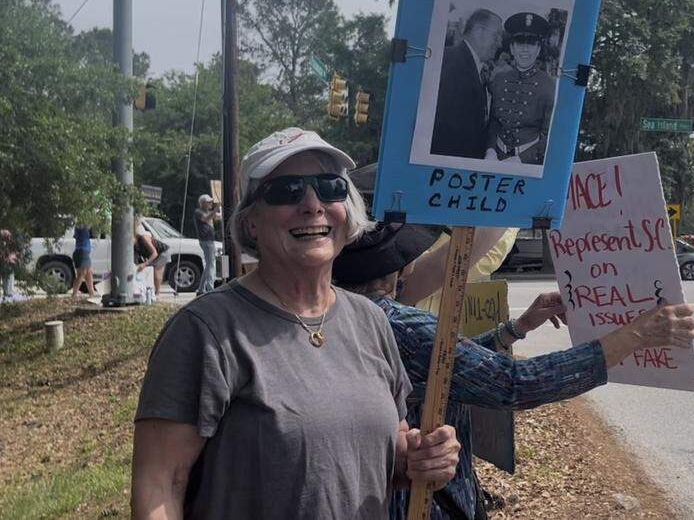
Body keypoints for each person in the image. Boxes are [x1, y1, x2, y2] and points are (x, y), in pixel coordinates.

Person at [131, 127, 460, 518]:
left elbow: (386, 450)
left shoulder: (371, 320)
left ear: (348, 207)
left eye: (330, 187)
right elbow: (161, 484)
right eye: (286, 191)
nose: (312, 204)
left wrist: (421, 458)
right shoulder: (206, 331)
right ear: (251, 222)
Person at [331, 222, 694, 520]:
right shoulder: (400, 324)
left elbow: (443, 369)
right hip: (420, 501)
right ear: (402, 264)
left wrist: (518, 327)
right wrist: (636, 334)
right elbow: (513, 384)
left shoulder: (343, 315)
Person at [431, 9, 503, 159]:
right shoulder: (449, 61)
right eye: (496, 36)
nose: (500, 43)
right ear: (478, 31)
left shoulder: (476, 68)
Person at [485, 12, 556, 165]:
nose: (525, 50)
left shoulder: (549, 85)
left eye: (531, 43)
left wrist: (522, 159)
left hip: (528, 163)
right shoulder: (499, 80)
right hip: (496, 158)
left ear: (538, 50)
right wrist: (490, 150)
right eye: (519, 43)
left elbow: (549, 135)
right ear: (511, 48)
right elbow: (493, 123)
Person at [194, 194, 220, 295]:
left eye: (210, 202)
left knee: (208, 265)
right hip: (206, 241)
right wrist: (216, 208)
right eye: (208, 202)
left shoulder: (207, 211)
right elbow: (206, 218)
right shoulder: (198, 212)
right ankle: (210, 288)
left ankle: (201, 289)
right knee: (211, 265)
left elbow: (217, 216)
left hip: (209, 240)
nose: (210, 203)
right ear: (202, 203)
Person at [70, 225, 96, 302]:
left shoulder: (82, 225)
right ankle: (74, 294)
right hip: (81, 251)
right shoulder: (81, 225)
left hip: (84, 252)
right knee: (81, 274)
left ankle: (92, 293)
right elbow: (90, 225)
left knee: (89, 273)